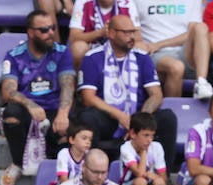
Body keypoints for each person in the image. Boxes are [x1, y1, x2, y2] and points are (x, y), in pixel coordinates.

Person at [76, 15, 177, 166]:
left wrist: (141, 119)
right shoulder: (93, 57)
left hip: (138, 112)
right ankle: (93, 169)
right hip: (109, 116)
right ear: (111, 33)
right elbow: (88, 98)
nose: (132, 37)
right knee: (87, 117)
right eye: (126, 33)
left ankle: (164, 176)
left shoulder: (142, 57)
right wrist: (119, 115)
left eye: (133, 32)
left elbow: (156, 95)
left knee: (168, 117)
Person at [0, 11, 74, 185]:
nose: (51, 33)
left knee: (76, 124)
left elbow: (68, 86)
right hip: (29, 110)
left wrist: (63, 114)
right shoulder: (14, 55)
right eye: (44, 29)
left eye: (53, 28)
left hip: (54, 108)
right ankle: (18, 163)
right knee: (11, 114)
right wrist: (30, 105)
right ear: (31, 32)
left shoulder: (62, 52)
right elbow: (8, 92)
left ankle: (57, 170)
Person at [117, 111, 166, 185]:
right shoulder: (126, 148)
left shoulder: (157, 147)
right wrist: (144, 152)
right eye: (146, 135)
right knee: (141, 182)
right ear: (133, 134)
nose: (150, 140)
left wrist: (156, 177)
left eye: (152, 135)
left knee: (159, 183)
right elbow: (139, 174)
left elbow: (163, 178)